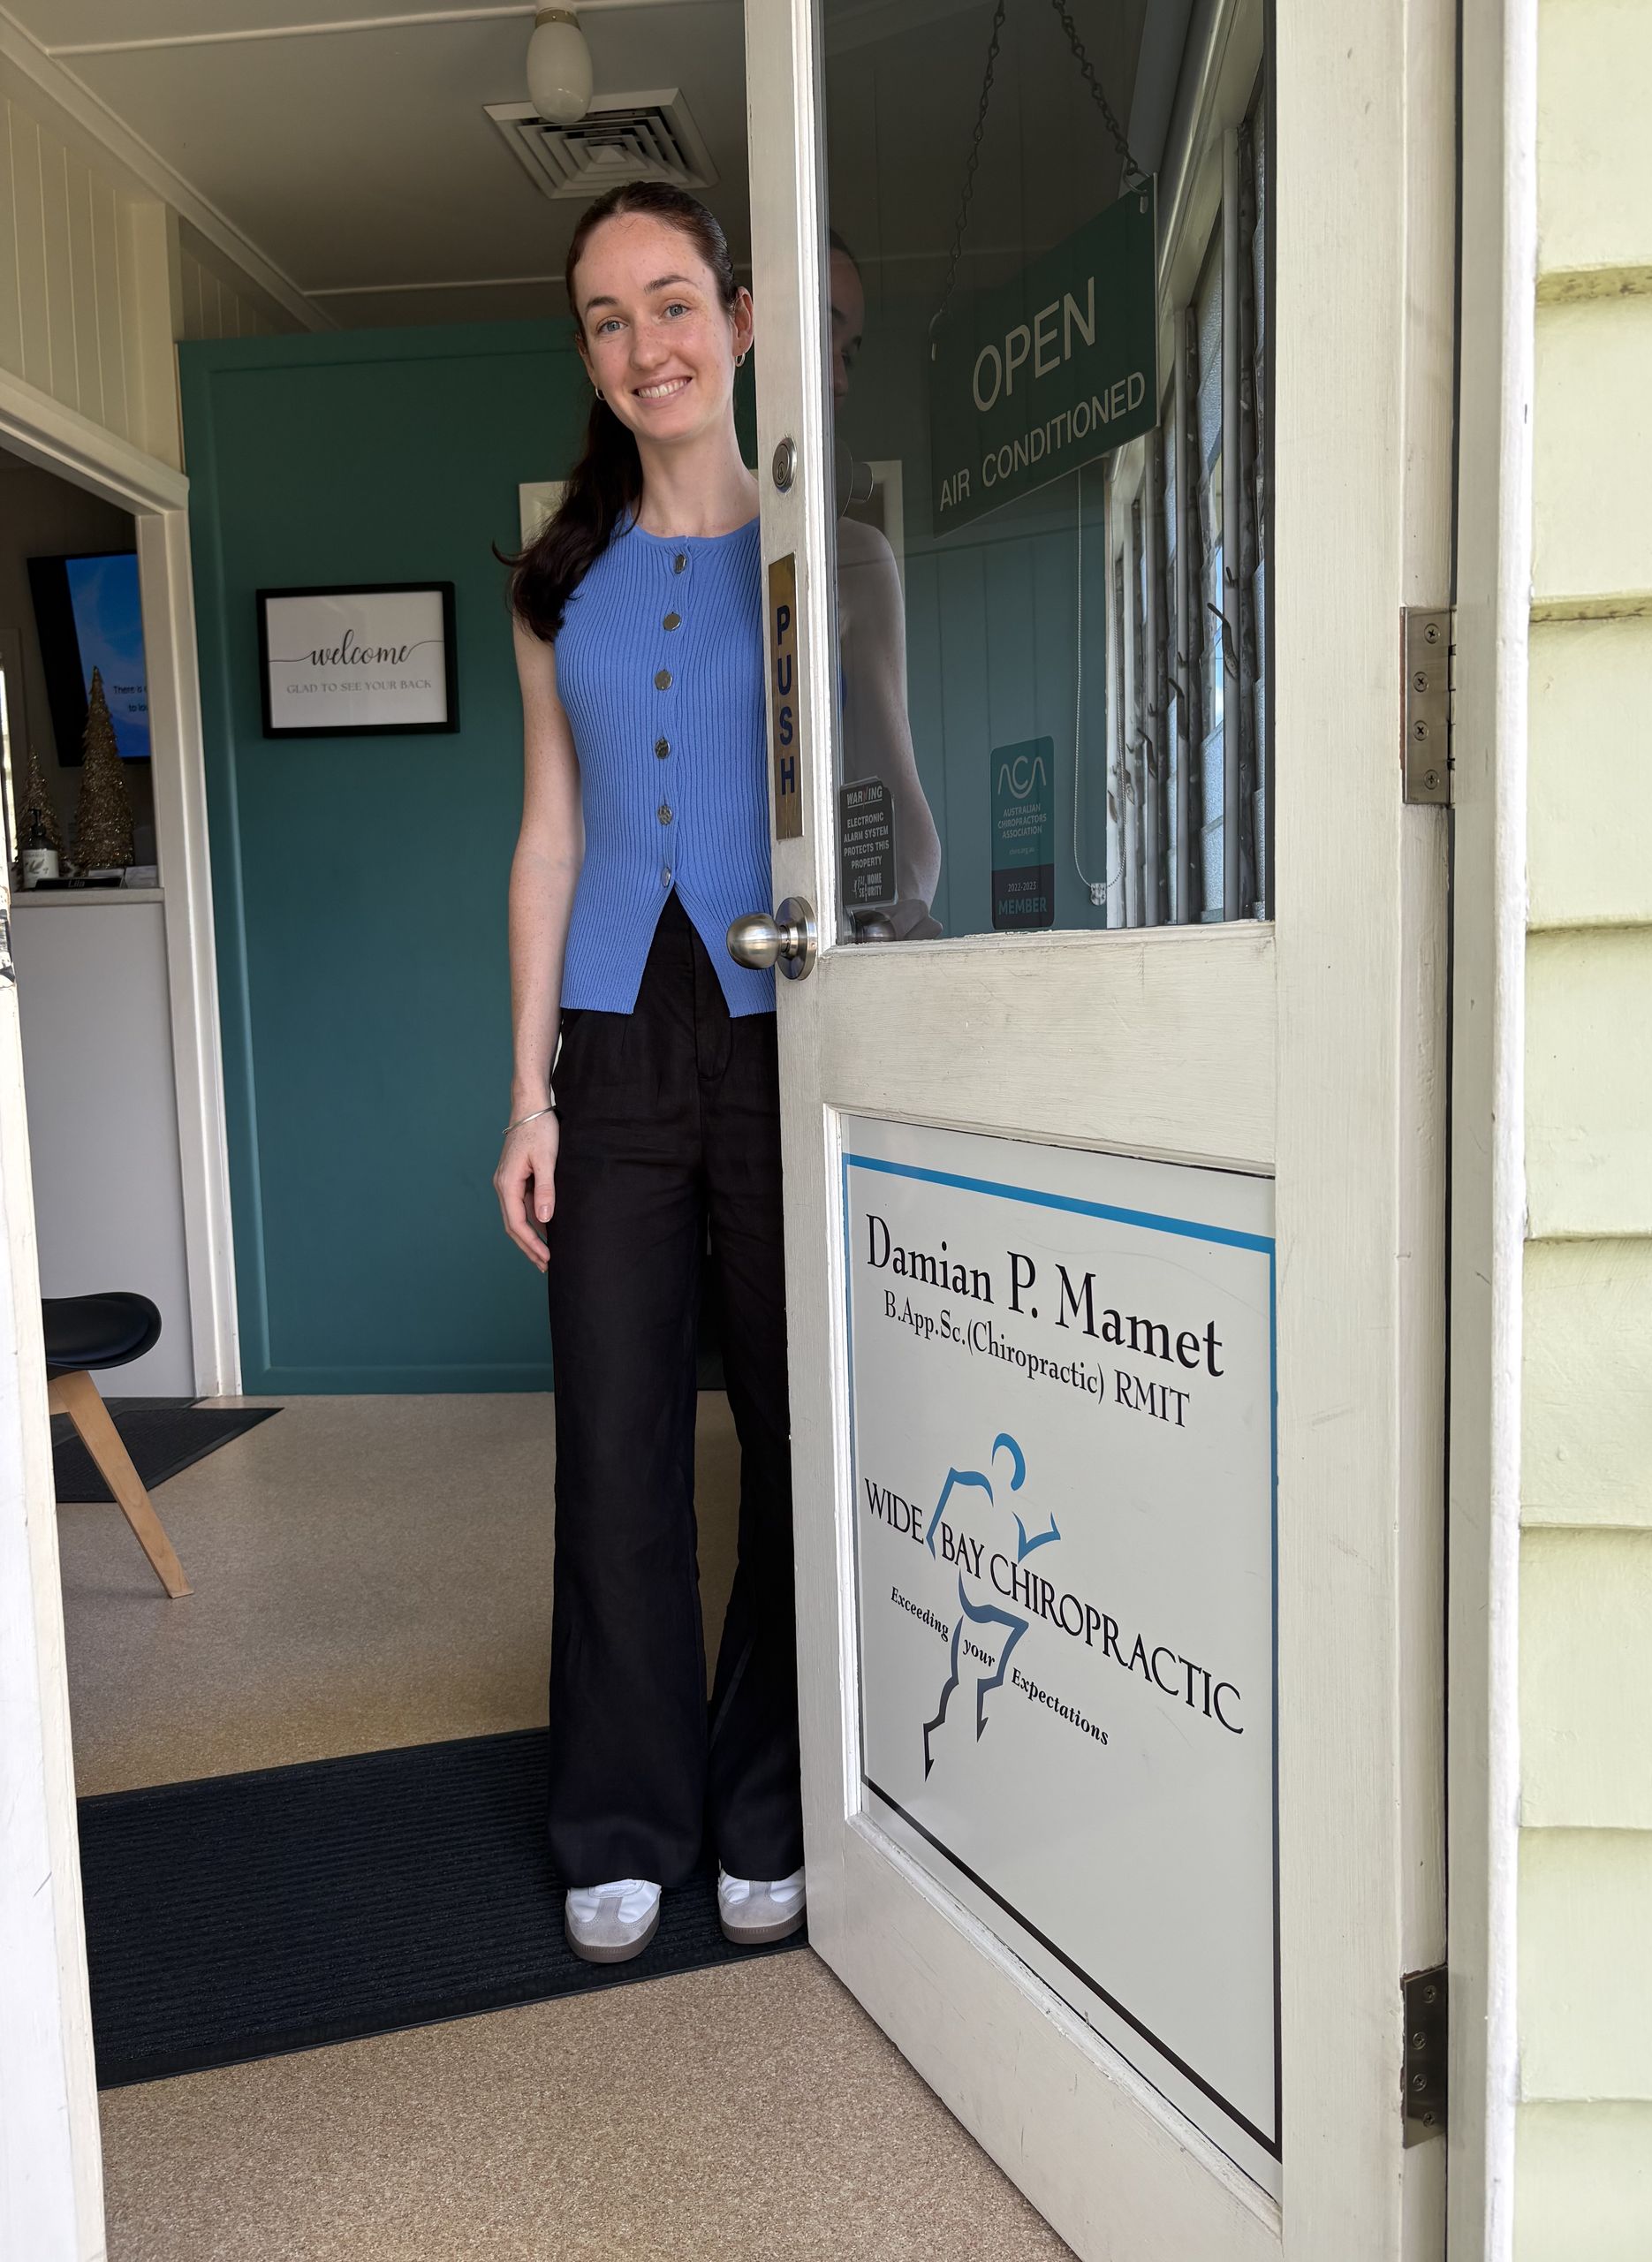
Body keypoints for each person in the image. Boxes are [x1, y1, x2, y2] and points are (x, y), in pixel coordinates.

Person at [496, 181, 803, 1966]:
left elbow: (892, 823)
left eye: (673, 301)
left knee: (792, 1423)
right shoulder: (560, 586)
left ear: (738, 319)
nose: (645, 345)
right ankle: (623, 1813)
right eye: (607, 319)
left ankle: (770, 1795)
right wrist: (526, 1098)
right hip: (612, 1041)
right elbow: (549, 838)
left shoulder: (824, 561)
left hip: (783, 1024)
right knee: (614, 1436)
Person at [827, 230, 943, 938]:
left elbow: (899, 816)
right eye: (825, 338)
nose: (841, 380)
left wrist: (893, 926)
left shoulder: (852, 558)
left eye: (850, 354)